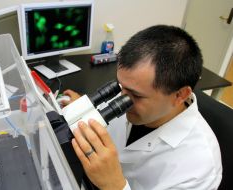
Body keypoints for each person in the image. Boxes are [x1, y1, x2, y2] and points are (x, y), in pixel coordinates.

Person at [61, 25, 222, 190]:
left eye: (136, 95)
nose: (123, 98)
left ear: (180, 95)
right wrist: (84, 107)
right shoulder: (136, 89)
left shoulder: (200, 167)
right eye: (120, 86)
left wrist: (115, 185)